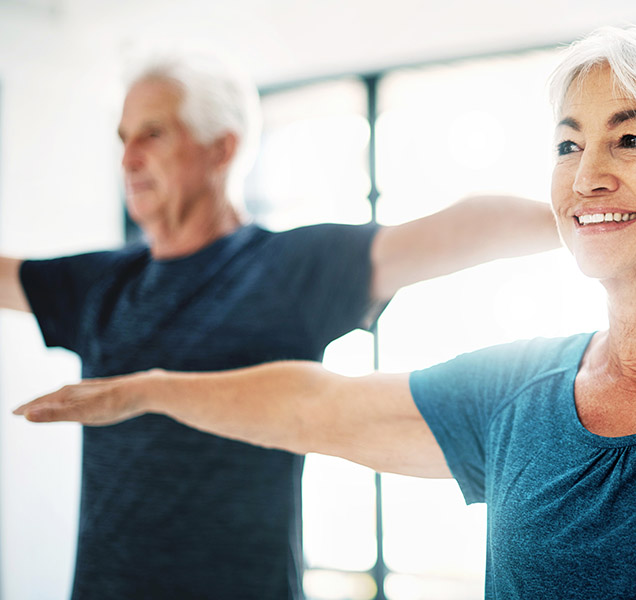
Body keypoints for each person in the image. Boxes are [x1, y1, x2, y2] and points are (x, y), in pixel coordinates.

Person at [15, 17, 636, 599]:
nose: (587, 175)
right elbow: (318, 405)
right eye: (568, 147)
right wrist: (142, 390)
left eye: (631, 142)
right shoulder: (523, 389)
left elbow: (454, 229)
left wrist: (579, 220)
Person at [0, 48, 561, 600]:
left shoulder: (286, 268)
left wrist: (597, 220)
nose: (128, 160)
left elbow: (462, 228)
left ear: (222, 148)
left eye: (153, 134)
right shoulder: (104, 283)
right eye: (124, 140)